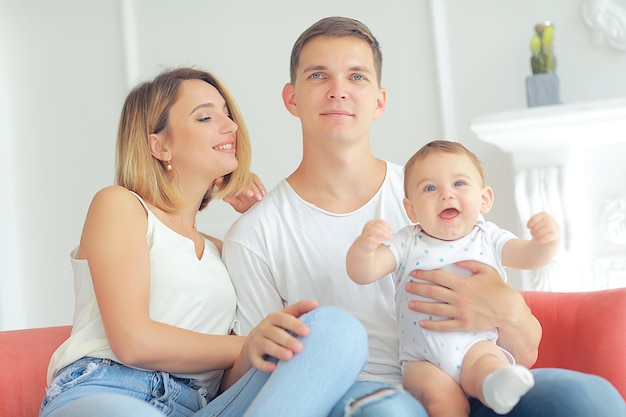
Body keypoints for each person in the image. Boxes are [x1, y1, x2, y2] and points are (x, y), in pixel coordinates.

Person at [222, 16, 625, 417]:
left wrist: (508, 311)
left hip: (475, 382)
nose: (338, 91)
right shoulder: (256, 235)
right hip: (363, 398)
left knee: (588, 398)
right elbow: (253, 381)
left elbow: (525, 348)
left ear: (379, 100)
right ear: (291, 98)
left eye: (357, 77)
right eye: (318, 76)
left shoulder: (439, 195)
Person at [39, 67, 368, 417]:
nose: (231, 126)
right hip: (111, 389)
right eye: (206, 117)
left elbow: (231, 375)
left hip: (201, 406)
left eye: (228, 114)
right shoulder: (120, 206)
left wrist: (260, 219)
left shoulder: (222, 251)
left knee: (336, 331)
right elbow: (133, 342)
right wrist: (246, 344)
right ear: (160, 145)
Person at [347, 140, 562, 416]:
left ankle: (496, 386)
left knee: (488, 367)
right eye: (430, 188)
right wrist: (364, 248)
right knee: (443, 402)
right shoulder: (406, 241)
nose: (446, 195)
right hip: (422, 360)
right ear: (411, 209)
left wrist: (546, 242)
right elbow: (363, 273)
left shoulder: (489, 237)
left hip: (477, 345)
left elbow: (529, 257)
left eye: (459, 184)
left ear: (484, 199)